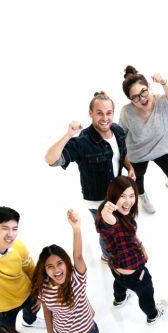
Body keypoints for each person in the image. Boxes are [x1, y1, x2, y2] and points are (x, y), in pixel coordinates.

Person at [45, 91, 135, 261]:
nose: (105, 118)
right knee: (106, 230)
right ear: (90, 113)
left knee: (120, 223)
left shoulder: (117, 131)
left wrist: (129, 167)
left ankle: (121, 244)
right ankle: (108, 255)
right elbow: (50, 160)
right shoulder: (82, 142)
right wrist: (68, 135)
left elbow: (121, 154)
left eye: (108, 113)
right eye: (99, 113)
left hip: (117, 193)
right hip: (97, 199)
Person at [32, 209, 115, 333]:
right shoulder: (44, 287)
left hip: (85, 332)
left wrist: (76, 229)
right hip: (65, 331)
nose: (56, 270)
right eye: (50, 266)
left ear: (66, 264)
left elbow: (77, 255)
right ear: (44, 269)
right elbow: (47, 308)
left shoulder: (76, 278)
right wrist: (50, 330)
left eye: (60, 263)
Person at [118, 65, 168, 215]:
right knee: (137, 179)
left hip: (163, 148)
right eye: (135, 97)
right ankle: (142, 197)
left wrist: (163, 81)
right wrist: (122, 158)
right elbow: (121, 134)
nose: (142, 99)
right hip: (137, 154)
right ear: (129, 99)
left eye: (144, 92)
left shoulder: (162, 102)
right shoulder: (126, 112)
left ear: (149, 87)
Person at [96, 176, 168, 324]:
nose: (128, 201)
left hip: (116, 269)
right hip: (135, 274)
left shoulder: (122, 215)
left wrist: (140, 244)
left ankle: (119, 299)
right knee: (146, 295)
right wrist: (106, 215)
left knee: (120, 283)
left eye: (131, 195)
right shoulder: (111, 219)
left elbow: (129, 233)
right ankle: (153, 315)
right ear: (113, 196)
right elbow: (110, 223)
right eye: (123, 196)